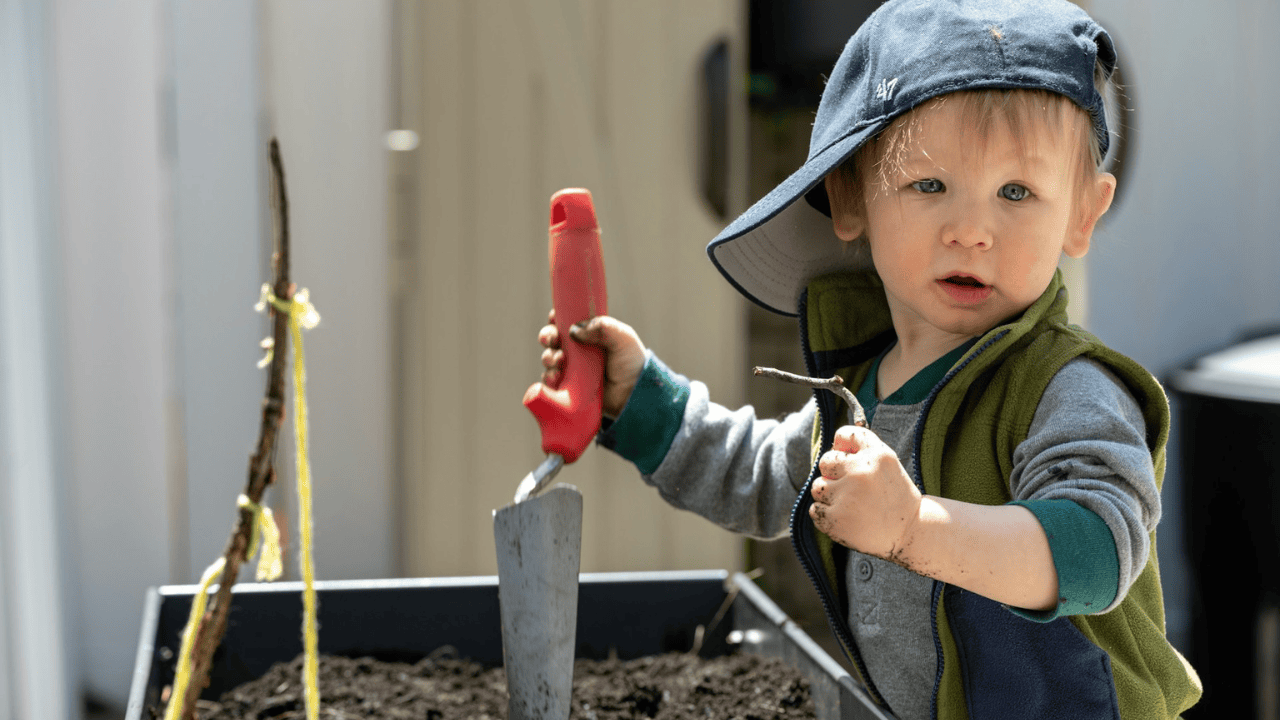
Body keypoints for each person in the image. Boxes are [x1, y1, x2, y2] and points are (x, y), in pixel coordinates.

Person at [534, 1, 1200, 717]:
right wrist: (640, 401)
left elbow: (1095, 553)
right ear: (850, 196)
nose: (972, 230)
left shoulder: (1069, 388)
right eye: (930, 185)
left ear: (1081, 214)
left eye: (1016, 192)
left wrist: (915, 529)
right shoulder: (863, 388)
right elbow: (761, 475)